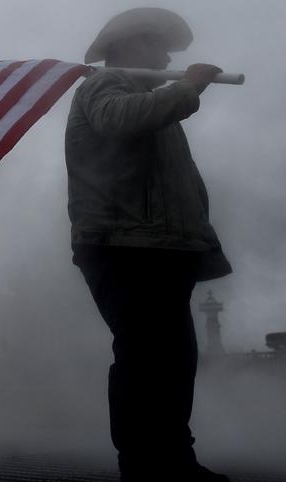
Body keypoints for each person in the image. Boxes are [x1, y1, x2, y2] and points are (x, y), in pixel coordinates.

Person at [65, 8, 231, 482]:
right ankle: (145, 467)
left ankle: (173, 461)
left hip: (158, 248)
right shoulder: (106, 84)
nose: (166, 59)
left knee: (172, 360)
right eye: (158, 46)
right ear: (130, 45)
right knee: (145, 359)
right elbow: (116, 120)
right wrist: (188, 87)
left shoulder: (150, 100)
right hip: (125, 246)